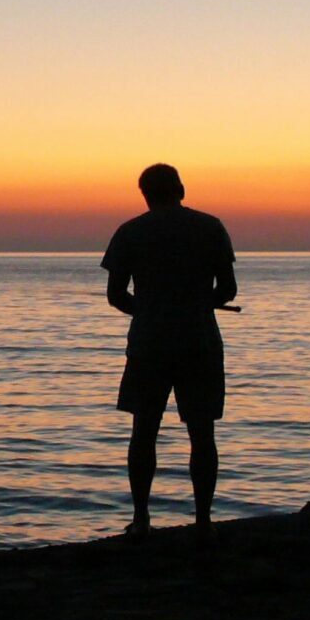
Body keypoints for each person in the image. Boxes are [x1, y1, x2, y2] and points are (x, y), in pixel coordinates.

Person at [102, 164, 237, 540]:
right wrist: (196, 303)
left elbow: (116, 296)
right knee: (202, 433)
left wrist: (148, 309)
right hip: (200, 342)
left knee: (143, 431)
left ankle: (142, 518)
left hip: (149, 344)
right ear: (181, 188)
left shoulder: (129, 232)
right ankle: (204, 520)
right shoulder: (211, 227)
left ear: (144, 193)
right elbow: (227, 290)